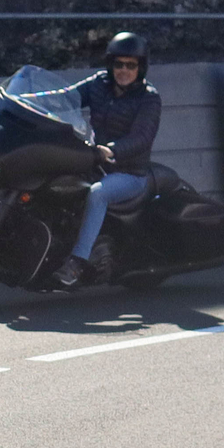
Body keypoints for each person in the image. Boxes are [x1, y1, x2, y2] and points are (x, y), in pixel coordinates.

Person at [54, 31, 161, 288]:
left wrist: (109, 150)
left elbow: (142, 138)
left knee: (98, 193)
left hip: (130, 173)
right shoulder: (99, 84)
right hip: (94, 162)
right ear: (111, 64)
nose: (123, 70)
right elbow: (65, 96)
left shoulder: (149, 98)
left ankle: (77, 262)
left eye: (130, 65)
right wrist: (23, 102)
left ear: (140, 68)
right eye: (118, 64)